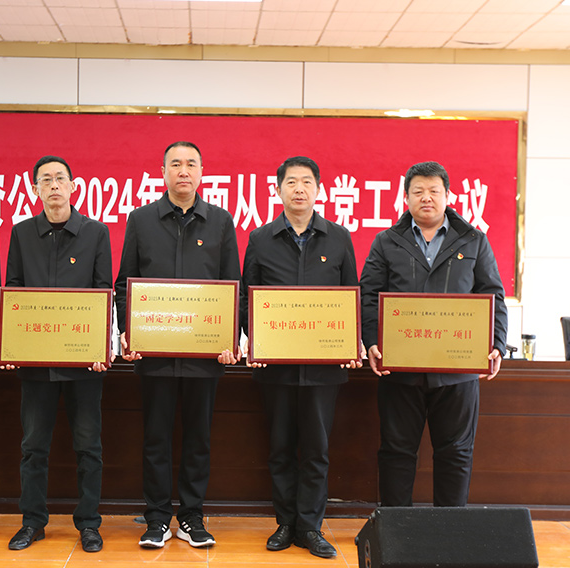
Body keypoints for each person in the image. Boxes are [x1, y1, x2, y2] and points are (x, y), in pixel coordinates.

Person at [114, 141, 240, 549]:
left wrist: (230, 338)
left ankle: (191, 517)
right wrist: (128, 331)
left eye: (191, 164)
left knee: (198, 439)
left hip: (204, 355)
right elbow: (125, 284)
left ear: (202, 172)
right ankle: (156, 518)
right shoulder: (141, 220)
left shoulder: (220, 221)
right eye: (175, 164)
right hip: (154, 354)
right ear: (163, 171)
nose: (183, 170)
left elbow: (232, 286)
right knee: (155, 438)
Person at [360, 160, 508, 508]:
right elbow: (369, 295)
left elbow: (492, 294)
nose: (426, 197)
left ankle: (450, 530)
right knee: (396, 451)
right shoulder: (387, 241)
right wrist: (372, 341)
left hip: (457, 370)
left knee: (456, 453)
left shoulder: (473, 240)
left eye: (434, 191)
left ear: (448, 195)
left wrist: (497, 344)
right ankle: (396, 529)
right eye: (418, 191)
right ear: (406, 197)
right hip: (400, 368)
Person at [240, 156, 361, 559]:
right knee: (280, 448)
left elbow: (351, 297)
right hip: (275, 367)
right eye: (291, 182)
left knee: (315, 450)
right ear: (278, 190)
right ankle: (285, 523)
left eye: (307, 182)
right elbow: (247, 299)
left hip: (323, 370)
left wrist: (352, 343)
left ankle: (310, 526)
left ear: (318, 190)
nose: (299, 189)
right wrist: (254, 339)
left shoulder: (339, 238)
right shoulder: (260, 239)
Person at [0, 155, 112, 553]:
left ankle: (89, 524)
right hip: (36, 364)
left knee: (88, 447)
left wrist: (101, 346)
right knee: (33, 447)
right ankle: (32, 522)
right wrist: (11, 345)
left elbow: (103, 292)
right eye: (45, 180)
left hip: (84, 364)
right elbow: (13, 289)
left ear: (73, 186)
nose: (53, 185)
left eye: (60, 178)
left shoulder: (96, 233)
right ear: (35, 189)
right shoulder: (22, 233)